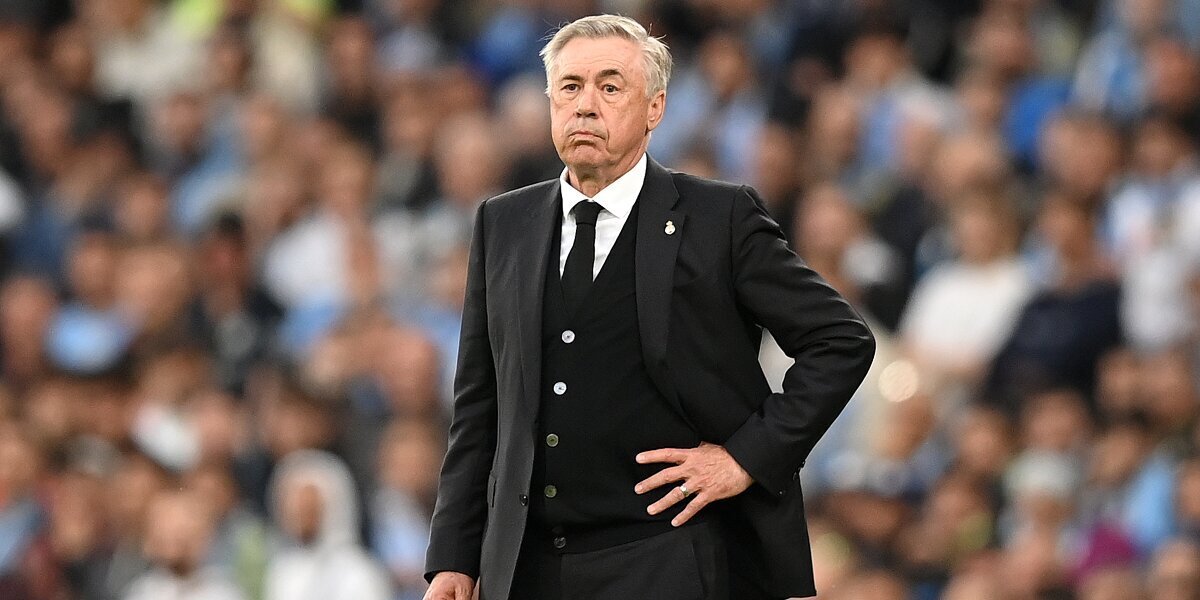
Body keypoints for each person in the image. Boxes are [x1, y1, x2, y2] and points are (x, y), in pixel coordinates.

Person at [422, 15, 875, 600]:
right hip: (529, 568)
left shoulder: (720, 218)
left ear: (655, 108)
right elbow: (479, 406)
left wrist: (745, 458)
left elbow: (840, 341)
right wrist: (454, 559)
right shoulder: (503, 222)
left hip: (672, 558)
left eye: (610, 87)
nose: (586, 105)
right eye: (570, 86)